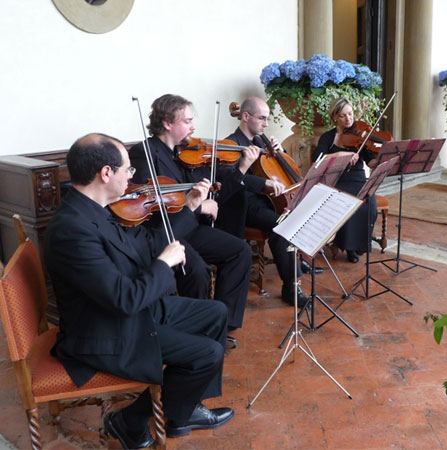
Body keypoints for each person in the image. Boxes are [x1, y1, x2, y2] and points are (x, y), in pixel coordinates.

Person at [44, 133, 234, 449]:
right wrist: (164, 264)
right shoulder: (72, 230)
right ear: (106, 173)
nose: (132, 177)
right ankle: (129, 420)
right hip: (104, 331)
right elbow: (125, 299)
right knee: (207, 354)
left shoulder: (98, 209)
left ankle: (184, 410)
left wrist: (189, 209)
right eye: (129, 170)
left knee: (216, 312)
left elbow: (145, 245)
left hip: (126, 312)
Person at [129, 94, 252, 344]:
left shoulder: (179, 153)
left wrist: (208, 190)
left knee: (239, 251)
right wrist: (198, 206)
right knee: (196, 271)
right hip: (166, 231)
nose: (193, 126)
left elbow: (192, 190)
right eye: (187, 121)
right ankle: (199, 332)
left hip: (189, 226)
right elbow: (153, 203)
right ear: (167, 123)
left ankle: (223, 322)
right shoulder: (144, 152)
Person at [219, 96, 324, 307]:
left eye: (267, 119)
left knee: (293, 217)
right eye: (262, 118)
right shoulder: (230, 144)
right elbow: (227, 178)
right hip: (243, 204)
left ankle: (298, 261)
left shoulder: (260, 141)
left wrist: (279, 152)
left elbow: (279, 168)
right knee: (283, 226)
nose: (266, 124)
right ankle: (290, 288)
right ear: (245, 116)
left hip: (266, 200)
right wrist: (263, 183)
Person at [312, 97, 378, 263]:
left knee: (370, 206)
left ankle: (359, 244)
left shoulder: (360, 136)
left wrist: (383, 155)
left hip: (358, 179)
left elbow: (370, 161)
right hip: (336, 180)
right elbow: (317, 159)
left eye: (350, 114)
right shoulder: (328, 137)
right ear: (335, 117)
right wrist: (341, 155)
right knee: (346, 205)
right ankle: (349, 248)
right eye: (343, 115)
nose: (348, 118)